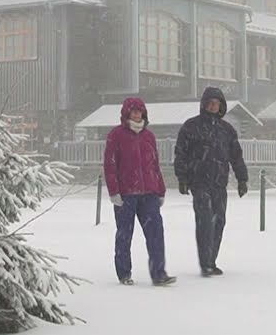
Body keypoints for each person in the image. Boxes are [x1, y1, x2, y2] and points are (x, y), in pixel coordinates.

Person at [173, 86, 249, 277]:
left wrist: (242, 179)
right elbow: (181, 153)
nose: (214, 106)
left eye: (217, 103)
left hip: (219, 183)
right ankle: (205, 263)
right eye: (211, 103)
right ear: (204, 104)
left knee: (219, 222)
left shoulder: (227, 130)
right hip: (199, 182)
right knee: (205, 221)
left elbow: (236, 157)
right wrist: (182, 178)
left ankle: (212, 260)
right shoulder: (191, 127)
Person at [103, 97, 176, 286]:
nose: (137, 114)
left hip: (149, 193)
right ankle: (124, 273)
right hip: (125, 194)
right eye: (133, 111)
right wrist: (114, 191)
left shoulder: (149, 136)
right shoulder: (116, 135)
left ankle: (159, 273)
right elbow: (110, 165)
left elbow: (155, 165)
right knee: (124, 235)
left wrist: (160, 190)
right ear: (126, 113)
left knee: (156, 233)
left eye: (140, 111)